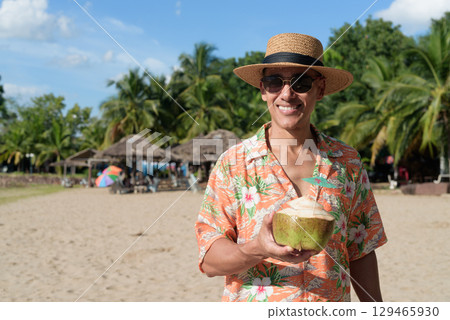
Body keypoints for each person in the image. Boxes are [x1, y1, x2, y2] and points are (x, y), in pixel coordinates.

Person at [195, 33, 387, 302]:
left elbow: (361, 249)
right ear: (263, 90)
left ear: (320, 89)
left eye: (301, 81)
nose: (286, 94)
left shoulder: (347, 161)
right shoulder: (233, 165)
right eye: (275, 82)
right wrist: (257, 249)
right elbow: (210, 261)